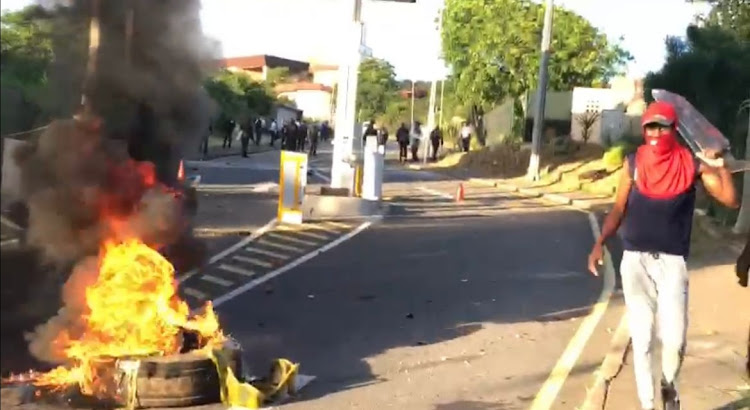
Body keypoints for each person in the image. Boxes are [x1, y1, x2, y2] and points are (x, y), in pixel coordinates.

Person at [587, 101, 738, 410]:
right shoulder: (634, 163)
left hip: (672, 264)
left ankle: (670, 386)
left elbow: (731, 201)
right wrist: (600, 242)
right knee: (641, 339)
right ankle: (648, 404)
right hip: (635, 263)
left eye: (662, 126)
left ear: (674, 129)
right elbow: (618, 208)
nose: (656, 132)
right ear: (644, 129)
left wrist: (720, 167)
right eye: (650, 126)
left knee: (675, 340)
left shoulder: (691, 166)